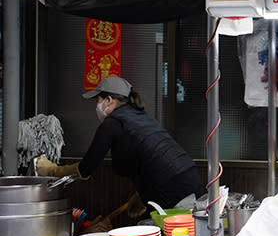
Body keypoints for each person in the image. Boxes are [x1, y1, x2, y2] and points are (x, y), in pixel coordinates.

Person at [36, 76, 202, 211]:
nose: (97, 106)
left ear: (109, 100)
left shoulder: (113, 123)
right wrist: (141, 194)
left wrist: (52, 170)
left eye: (97, 100)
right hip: (189, 177)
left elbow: (87, 167)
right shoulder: (140, 117)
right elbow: (151, 157)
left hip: (173, 188)